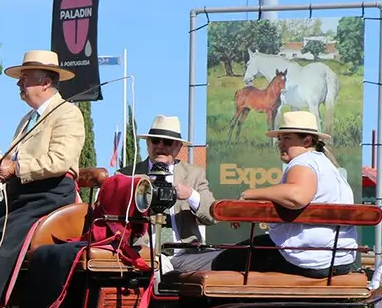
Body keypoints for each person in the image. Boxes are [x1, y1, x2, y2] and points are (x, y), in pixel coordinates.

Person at [0, 49, 85, 307]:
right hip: (22, 194)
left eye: (25, 78)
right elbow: (15, 161)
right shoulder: (27, 119)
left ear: (46, 82)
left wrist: (15, 168)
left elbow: (60, 161)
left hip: (52, 194)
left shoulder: (67, 114)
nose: (19, 83)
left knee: (6, 235)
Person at [169, 110, 359, 277]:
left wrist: (250, 194)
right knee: (245, 249)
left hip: (306, 258)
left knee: (225, 260)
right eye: (280, 139)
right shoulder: (329, 167)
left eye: (287, 139)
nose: (281, 144)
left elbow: (297, 196)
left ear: (307, 140)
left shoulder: (303, 162)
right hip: (340, 258)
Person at [119, 115, 216, 267]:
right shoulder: (126, 176)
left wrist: (191, 195)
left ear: (178, 147)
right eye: (155, 141)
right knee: (160, 266)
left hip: (188, 253)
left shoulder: (194, 174)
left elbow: (212, 215)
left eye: (168, 142)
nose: (160, 146)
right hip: (145, 253)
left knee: (224, 259)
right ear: (147, 144)